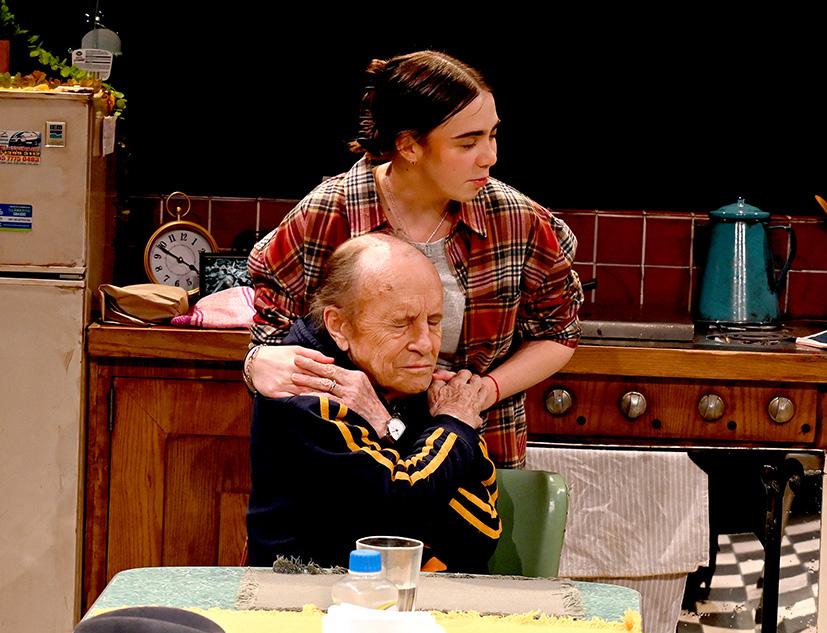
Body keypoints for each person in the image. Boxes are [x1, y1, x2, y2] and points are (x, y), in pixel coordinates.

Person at [246, 50, 582, 468]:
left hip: (476, 456)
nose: (489, 156)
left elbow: (558, 331)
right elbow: (272, 339)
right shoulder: (328, 214)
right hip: (349, 461)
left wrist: (482, 392)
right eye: (468, 142)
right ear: (408, 146)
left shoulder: (514, 220)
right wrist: (257, 362)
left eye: (492, 135)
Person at [246, 234, 500, 572]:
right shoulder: (307, 392)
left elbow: (483, 531)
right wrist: (453, 424)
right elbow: (403, 503)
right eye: (401, 324)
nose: (425, 344)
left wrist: (388, 427)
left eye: (434, 322)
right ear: (339, 326)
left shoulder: (409, 380)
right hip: (307, 595)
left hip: (402, 592)